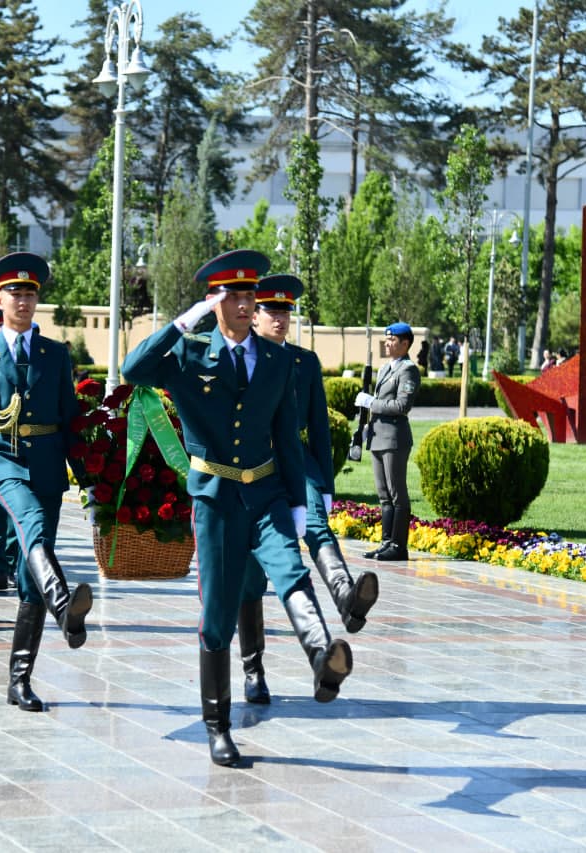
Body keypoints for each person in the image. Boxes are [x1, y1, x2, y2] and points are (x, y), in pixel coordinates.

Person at [121, 250, 353, 767]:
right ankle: (218, 726)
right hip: (217, 501)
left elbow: (286, 436)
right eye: (234, 297)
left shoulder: (277, 360)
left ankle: (321, 655)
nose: (247, 305)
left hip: (267, 493)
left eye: (250, 295)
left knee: (291, 572)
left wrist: (298, 502)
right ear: (216, 302)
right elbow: (133, 369)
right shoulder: (188, 355)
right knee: (217, 615)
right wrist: (185, 322)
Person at [0, 252, 92, 712]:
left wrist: (90, 481)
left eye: (30, 293)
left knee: (29, 575)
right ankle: (64, 603)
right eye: (15, 293)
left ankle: (20, 680)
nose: (23, 300)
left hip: (48, 465)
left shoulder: (56, 354)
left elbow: (70, 422)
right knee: (31, 522)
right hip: (3, 461)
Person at [236, 274, 378, 705]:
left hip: (298, 467)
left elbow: (318, 424)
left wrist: (327, 483)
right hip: (251, 471)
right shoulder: (238, 358)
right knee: (250, 579)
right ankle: (253, 671)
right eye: (272, 311)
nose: (280, 319)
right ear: (254, 315)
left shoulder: (303, 362)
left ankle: (346, 597)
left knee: (315, 524)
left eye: (285, 312)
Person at [354, 321, 421, 561]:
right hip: (378, 437)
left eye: (393, 340)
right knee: (383, 494)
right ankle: (386, 542)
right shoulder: (384, 369)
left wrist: (372, 403)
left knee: (397, 494)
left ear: (405, 344)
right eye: (387, 339)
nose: (388, 343)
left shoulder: (408, 370)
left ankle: (399, 546)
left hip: (394, 438)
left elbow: (402, 406)